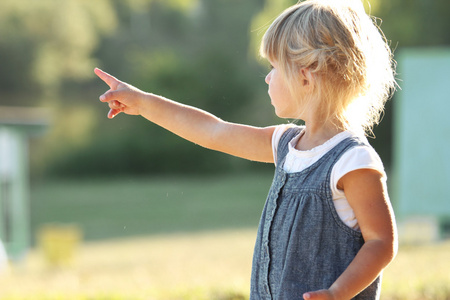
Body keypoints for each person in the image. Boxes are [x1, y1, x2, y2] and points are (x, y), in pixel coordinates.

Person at [95, 0, 398, 298]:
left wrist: (336, 293)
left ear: (306, 76)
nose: (267, 77)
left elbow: (381, 241)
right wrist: (144, 102)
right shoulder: (285, 145)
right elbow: (212, 131)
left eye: (273, 67)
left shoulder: (352, 160)